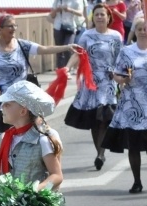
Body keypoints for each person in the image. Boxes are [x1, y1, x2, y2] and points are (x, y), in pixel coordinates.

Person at [0, 12, 81, 132]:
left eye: (15, 25)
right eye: (10, 26)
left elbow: (44, 49)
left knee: (23, 133)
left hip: (21, 101)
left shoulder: (22, 45)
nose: (14, 28)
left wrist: (67, 47)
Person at [64, 3, 122, 170]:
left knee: (104, 119)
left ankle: (101, 154)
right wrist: (67, 68)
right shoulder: (87, 35)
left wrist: (120, 74)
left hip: (109, 82)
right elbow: (78, 53)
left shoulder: (116, 36)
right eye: (96, 14)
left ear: (108, 17)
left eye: (102, 14)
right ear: (93, 18)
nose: (99, 17)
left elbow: (121, 58)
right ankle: (100, 154)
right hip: (91, 82)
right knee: (95, 121)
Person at [102, 16, 147, 193]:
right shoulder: (127, 51)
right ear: (135, 31)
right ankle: (137, 182)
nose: (143, 32)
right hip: (132, 104)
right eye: (140, 29)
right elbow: (117, 74)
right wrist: (124, 79)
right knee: (134, 145)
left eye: (145, 29)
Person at [50, 0, 85, 67]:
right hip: (58, 27)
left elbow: (80, 13)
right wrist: (57, 10)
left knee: (68, 47)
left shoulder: (75, 1)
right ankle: (60, 68)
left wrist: (69, 10)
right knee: (58, 50)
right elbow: (52, 15)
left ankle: (67, 68)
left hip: (70, 27)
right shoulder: (57, 1)